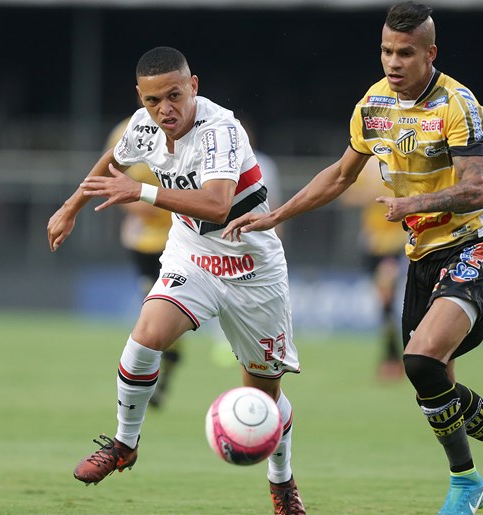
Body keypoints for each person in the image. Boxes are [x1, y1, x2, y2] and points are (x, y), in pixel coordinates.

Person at [223, 3, 483, 514]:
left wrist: (413, 204)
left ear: (430, 54)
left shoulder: (457, 104)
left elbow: (474, 189)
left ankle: (466, 482)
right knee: (431, 380)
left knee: (420, 361)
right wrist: (275, 215)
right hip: (423, 257)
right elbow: (340, 175)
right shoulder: (374, 104)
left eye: (405, 53)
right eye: (386, 51)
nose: (393, 62)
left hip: (475, 244)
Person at [48, 47, 306, 515]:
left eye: (174, 96)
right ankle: (124, 445)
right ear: (140, 98)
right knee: (145, 337)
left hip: (252, 267)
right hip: (194, 254)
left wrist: (141, 190)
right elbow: (113, 159)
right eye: (152, 100)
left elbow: (218, 205)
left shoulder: (221, 129)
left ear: (193, 86)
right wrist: (70, 207)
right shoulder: (144, 126)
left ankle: (282, 481)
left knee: (262, 396)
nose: (165, 109)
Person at [104, 117, 181, 408]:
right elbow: (111, 177)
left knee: (169, 309)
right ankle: (162, 367)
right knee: (154, 304)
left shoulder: (189, 128)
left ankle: (166, 364)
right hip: (145, 242)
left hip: (182, 239)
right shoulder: (125, 131)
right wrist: (136, 205)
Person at [340, 157, 407, 381]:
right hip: (371, 244)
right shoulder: (367, 165)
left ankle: (394, 359)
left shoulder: (402, 159)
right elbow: (347, 196)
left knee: (387, 296)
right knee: (384, 305)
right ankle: (393, 358)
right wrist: (370, 195)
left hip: (397, 243)